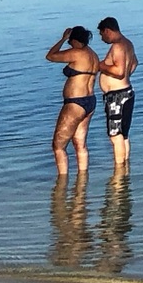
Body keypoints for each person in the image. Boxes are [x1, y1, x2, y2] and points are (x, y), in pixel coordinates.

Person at [45, 25, 101, 177]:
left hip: (75, 103)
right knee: (80, 144)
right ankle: (82, 184)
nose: (69, 43)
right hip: (90, 101)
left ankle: (61, 185)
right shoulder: (93, 55)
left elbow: (50, 56)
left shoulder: (76, 53)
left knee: (58, 146)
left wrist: (62, 38)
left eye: (70, 41)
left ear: (74, 40)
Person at [96, 16, 139, 172]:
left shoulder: (118, 46)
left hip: (117, 96)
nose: (102, 38)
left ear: (107, 30)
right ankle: (125, 168)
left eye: (102, 34)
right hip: (126, 92)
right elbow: (134, 63)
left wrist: (100, 66)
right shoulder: (128, 44)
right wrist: (126, 76)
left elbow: (119, 72)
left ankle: (119, 172)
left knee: (115, 135)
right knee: (123, 135)